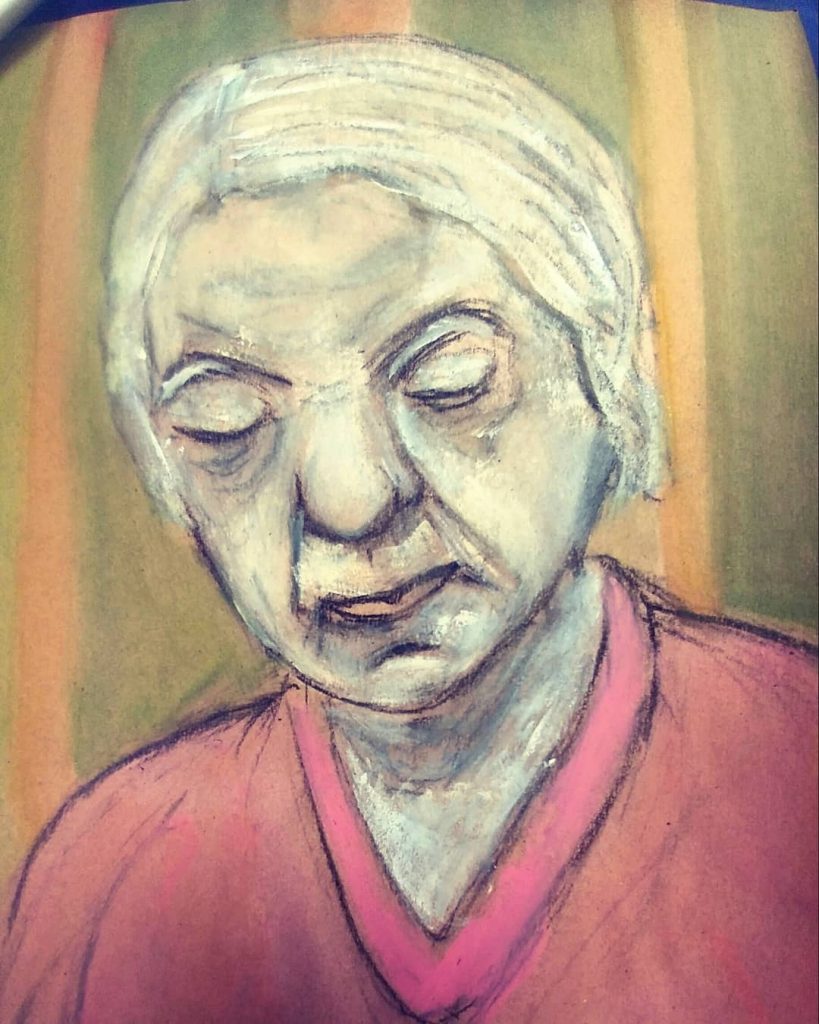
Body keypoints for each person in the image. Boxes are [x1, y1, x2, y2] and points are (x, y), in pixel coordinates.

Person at [1, 35, 816, 1024]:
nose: (349, 499)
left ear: (608, 369)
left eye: (448, 380)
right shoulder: (105, 884)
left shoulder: (792, 759)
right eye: (226, 423)